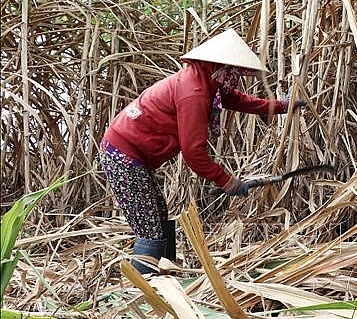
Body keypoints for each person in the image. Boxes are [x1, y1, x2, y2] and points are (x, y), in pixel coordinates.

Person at [99, 29, 304, 274]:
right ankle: (145, 293)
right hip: (122, 156)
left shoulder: (206, 80)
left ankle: (166, 274)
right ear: (219, 65)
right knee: (149, 226)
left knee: (159, 214)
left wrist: (282, 106)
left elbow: (239, 100)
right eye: (234, 71)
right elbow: (193, 153)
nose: (236, 77)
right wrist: (226, 181)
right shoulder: (193, 93)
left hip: (131, 155)